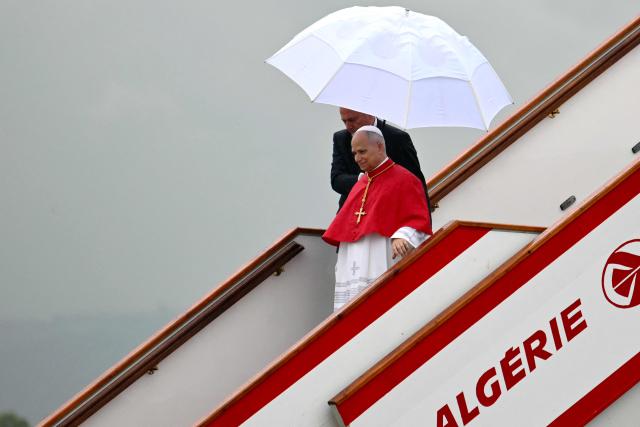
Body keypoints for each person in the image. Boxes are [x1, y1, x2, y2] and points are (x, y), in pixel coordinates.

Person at [323, 126, 433, 311]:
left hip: (381, 255)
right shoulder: (360, 184)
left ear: (380, 147)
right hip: (353, 262)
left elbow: (418, 218)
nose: (357, 158)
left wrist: (403, 236)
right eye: (355, 153)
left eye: (362, 151)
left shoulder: (405, 179)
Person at [331, 107, 430, 211]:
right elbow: (336, 180)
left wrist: (425, 223)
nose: (348, 126)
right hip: (351, 211)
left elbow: (416, 184)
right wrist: (364, 180)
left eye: (352, 120)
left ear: (369, 114)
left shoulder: (398, 138)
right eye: (344, 121)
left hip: (388, 211)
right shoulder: (340, 138)